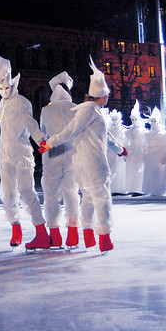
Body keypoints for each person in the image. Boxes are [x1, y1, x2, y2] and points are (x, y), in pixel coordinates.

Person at [40, 56, 117, 252]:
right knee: (98, 197)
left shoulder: (81, 110)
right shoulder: (86, 110)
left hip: (78, 161)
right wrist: (49, 143)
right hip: (91, 161)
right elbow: (70, 131)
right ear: (101, 96)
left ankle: (84, 236)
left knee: (84, 197)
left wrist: (48, 142)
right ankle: (103, 237)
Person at [0, 50, 50, 249]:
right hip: (4, 154)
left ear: (13, 84)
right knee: (7, 193)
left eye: (7, 86)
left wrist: (41, 139)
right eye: (1, 87)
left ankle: (42, 233)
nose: (5, 90)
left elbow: (30, 123)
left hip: (22, 153)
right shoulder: (1, 103)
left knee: (26, 191)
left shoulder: (22, 102)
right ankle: (16, 228)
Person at [39, 71, 80, 248]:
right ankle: (73, 232)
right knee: (71, 192)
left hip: (52, 156)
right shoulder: (76, 108)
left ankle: (54, 233)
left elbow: (43, 131)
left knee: (50, 195)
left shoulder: (46, 110)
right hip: (73, 155)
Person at [123, 101, 147, 196]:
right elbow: (125, 142)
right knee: (131, 170)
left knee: (139, 170)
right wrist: (125, 153)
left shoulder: (143, 131)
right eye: (132, 119)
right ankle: (132, 188)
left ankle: (140, 189)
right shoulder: (128, 131)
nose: (134, 121)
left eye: (135, 119)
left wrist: (145, 152)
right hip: (131, 152)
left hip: (140, 151)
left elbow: (146, 142)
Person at [142, 107, 166, 196]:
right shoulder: (147, 134)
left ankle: (159, 190)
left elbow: (165, 146)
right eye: (151, 121)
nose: (153, 123)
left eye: (154, 121)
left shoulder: (163, 134)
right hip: (150, 156)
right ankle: (151, 190)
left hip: (158, 156)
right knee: (149, 172)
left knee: (158, 172)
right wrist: (144, 154)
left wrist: (164, 156)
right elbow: (145, 145)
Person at [107, 109, 128, 195]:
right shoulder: (108, 130)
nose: (114, 121)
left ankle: (121, 189)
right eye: (113, 119)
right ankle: (113, 188)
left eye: (116, 119)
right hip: (111, 153)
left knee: (121, 170)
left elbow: (126, 140)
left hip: (120, 152)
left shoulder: (123, 130)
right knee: (112, 169)